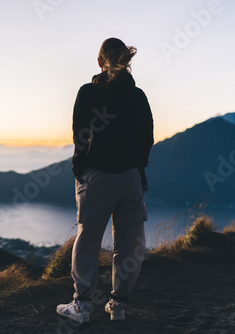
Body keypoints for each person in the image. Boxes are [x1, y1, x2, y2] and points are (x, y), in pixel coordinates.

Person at [56, 37, 154, 323]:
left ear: (100, 62)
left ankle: (82, 305)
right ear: (127, 62)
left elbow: (80, 135)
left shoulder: (88, 92)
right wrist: (137, 166)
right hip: (131, 179)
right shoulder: (138, 96)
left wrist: (81, 168)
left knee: (88, 239)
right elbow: (147, 137)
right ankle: (119, 306)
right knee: (129, 241)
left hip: (96, 178)